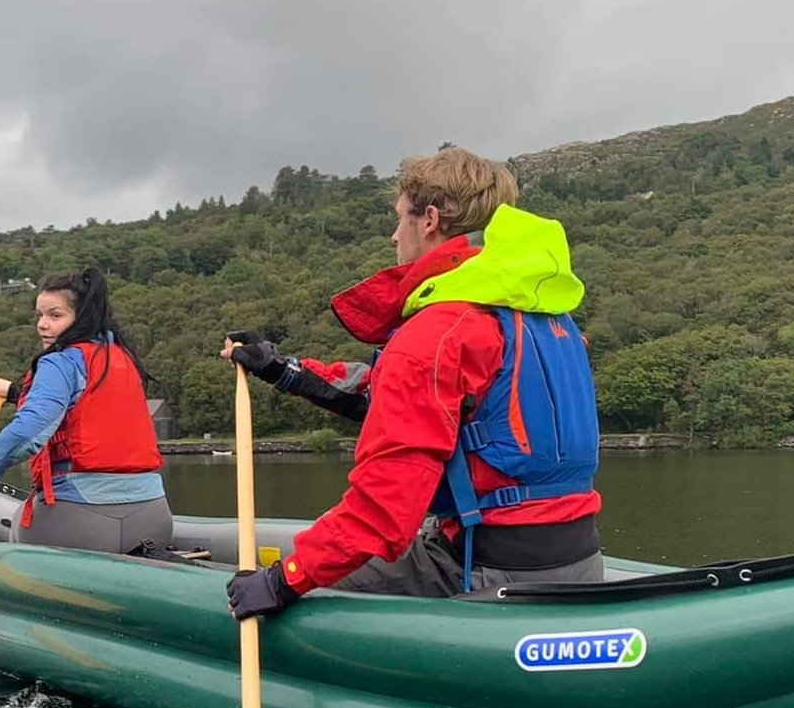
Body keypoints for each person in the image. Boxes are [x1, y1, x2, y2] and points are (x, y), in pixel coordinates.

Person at [223, 147, 602, 620]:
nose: (393, 234)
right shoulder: (551, 320)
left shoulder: (439, 332)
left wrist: (285, 579)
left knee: (305, 591)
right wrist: (280, 368)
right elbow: (393, 393)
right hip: (583, 563)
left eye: (400, 218)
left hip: (484, 569)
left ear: (430, 220)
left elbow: (384, 509)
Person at [0, 267, 171, 555]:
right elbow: (88, 407)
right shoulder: (123, 357)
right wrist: (15, 393)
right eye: (39, 315)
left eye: (55, 315)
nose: (42, 324)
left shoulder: (60, 361)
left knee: (17, 527)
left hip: (80, 521)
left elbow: (29, 432)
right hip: (153, 519)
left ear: (81, 316)